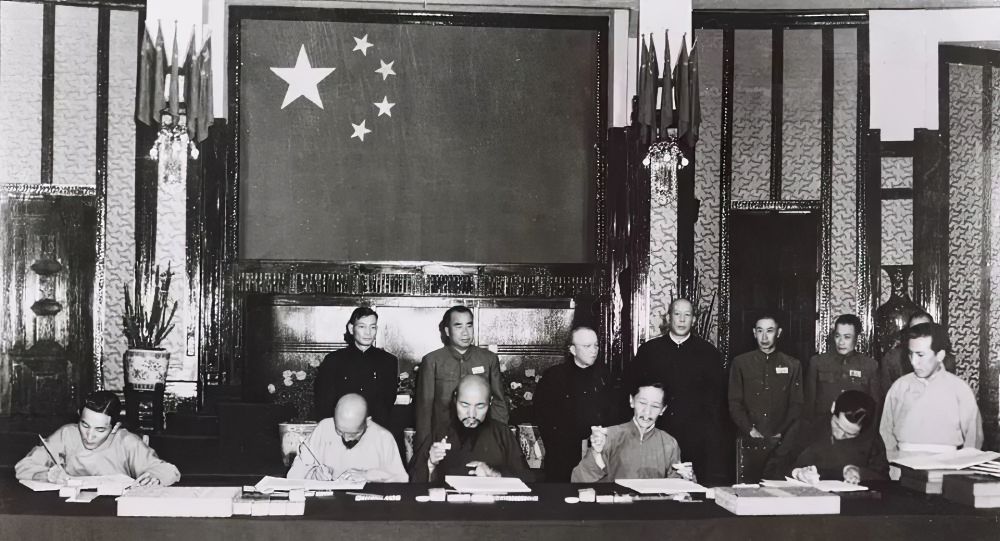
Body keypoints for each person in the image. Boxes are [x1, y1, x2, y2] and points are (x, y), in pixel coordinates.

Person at [625, 298, 729, 485]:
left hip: (696, 436)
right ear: (668, 318)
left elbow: (716, 401)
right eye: (677, 314)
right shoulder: (649, 351)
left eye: (687, 315)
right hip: (657, 432)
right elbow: (634, 391)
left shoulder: (709, 353)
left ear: (694, 320)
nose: (682, 320)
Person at [15, 391, 180, 486]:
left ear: (115, 427)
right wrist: (47, 476)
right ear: (79, 417)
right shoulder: (66, 435)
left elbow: (169, 470)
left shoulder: (126, 442)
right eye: (85, 425)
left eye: (100, 429)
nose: (89, 436)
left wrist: (154, 476)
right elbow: (23, 467)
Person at [880, 323, 983, 461]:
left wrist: (962, 469)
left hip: (947, 466)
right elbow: (885, 434)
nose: (914, 362)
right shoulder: (899, 387)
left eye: (920, 355)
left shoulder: (959, 390)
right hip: (903, 466)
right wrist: (892, 465)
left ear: (940, 355)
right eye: (911, 354)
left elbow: (973, 439)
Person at [415, 306, 508, 448]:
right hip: (443, 440)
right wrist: (424, 449)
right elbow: (424, 411)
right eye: (458, 326)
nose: (465, 332)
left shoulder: (488, 359)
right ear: (447, 331)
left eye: (469, 326)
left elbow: (499, 403)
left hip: (481, 439)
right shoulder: (432, 361)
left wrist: (500, 441)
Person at [410, 375, 528, 483]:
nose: (471, 414)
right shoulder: (440, 432)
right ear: (455, 400)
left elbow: (527, 478)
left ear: (490, 402)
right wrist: (430, 463)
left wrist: (495, 474)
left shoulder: (502, 433)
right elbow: (412, 481)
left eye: (480, 406)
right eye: (464, 405)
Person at [534, 326, 615, 482]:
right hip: (563, 456)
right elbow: (544, 419)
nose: (594, 350)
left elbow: (612, 414)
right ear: (572, 349)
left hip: (597, 452)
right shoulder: (554, 377)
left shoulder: (604, 376)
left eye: (596, 345)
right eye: (587, 346)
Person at [570, 381, 687, 482]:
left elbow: (677, 489)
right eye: (642, 403)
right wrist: (596, 454)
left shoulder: (669, 443)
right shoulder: (609, 436)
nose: (647, 412)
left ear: (663, 410)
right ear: (632, 401)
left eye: (655, 406)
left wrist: (686, 478)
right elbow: (578, 480)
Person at [763, 390, 889, 483]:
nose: (840, 435)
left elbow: (883, 477)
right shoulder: (804, 428)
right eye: (837, 426)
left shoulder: (870, 438)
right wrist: (797, 473)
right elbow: (771, 468)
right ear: (833, 407)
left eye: (849, 434)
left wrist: (859, 473)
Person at [287, 394, 407, 482]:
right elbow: (293, 475)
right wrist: (313, 475)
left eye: (353, 434)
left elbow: (401, 479)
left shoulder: (383, 438)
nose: (346, 438)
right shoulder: (324, 428)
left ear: (367, 422)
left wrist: (367, 475)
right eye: (339, 431)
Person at [314, 307, 399, 428]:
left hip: (375, 429)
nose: (368, 333)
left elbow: (388, 401)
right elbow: (324, 402)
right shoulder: (334, 360)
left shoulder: (388, 361)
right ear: (351, 328)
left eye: (372, 327)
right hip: (340, 428)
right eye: (362, 326)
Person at [729, 315, 804, 441]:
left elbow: (796, 404)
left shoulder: (793, 365)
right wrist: (750, 430)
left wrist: (782, 432)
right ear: (754, 333)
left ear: (778, 333)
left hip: (782, 438)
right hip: (748, 437)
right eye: (760, 331)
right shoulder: (740, 363)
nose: (764, 337)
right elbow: (734, 403)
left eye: (769, 331)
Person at [804, 314, 879, 420]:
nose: (841, 342)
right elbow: (808, 405)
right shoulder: (817, 362)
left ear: (857, 338)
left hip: (855, 426)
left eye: (847, 337)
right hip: (823, 426)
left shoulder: (870, 366)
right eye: (837, 336)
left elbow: (875, 408)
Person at [879, 311, 957, 398]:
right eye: (915, 330)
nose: (919, 335)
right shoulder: (892, 359)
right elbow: (888, 396)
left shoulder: (946, 360)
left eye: (925, 330)